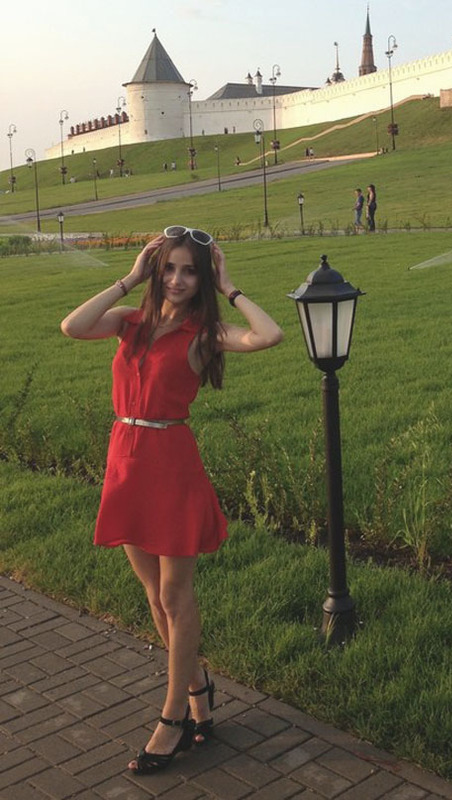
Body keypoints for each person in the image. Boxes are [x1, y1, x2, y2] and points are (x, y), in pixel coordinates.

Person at [60, 226, 283, 776]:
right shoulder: (128, 322)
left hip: (171, 464)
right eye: (170, 269)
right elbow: (72, 326)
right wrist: (129, 278)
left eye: (189, 272)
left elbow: (269, 335)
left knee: (174, 595)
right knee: (154, 597)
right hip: (125, 460)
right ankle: (199, 689)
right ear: (156, 271)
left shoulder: (203, 334)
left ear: (202, 279)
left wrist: (230, 287)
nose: (178, 280)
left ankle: (173, 718)